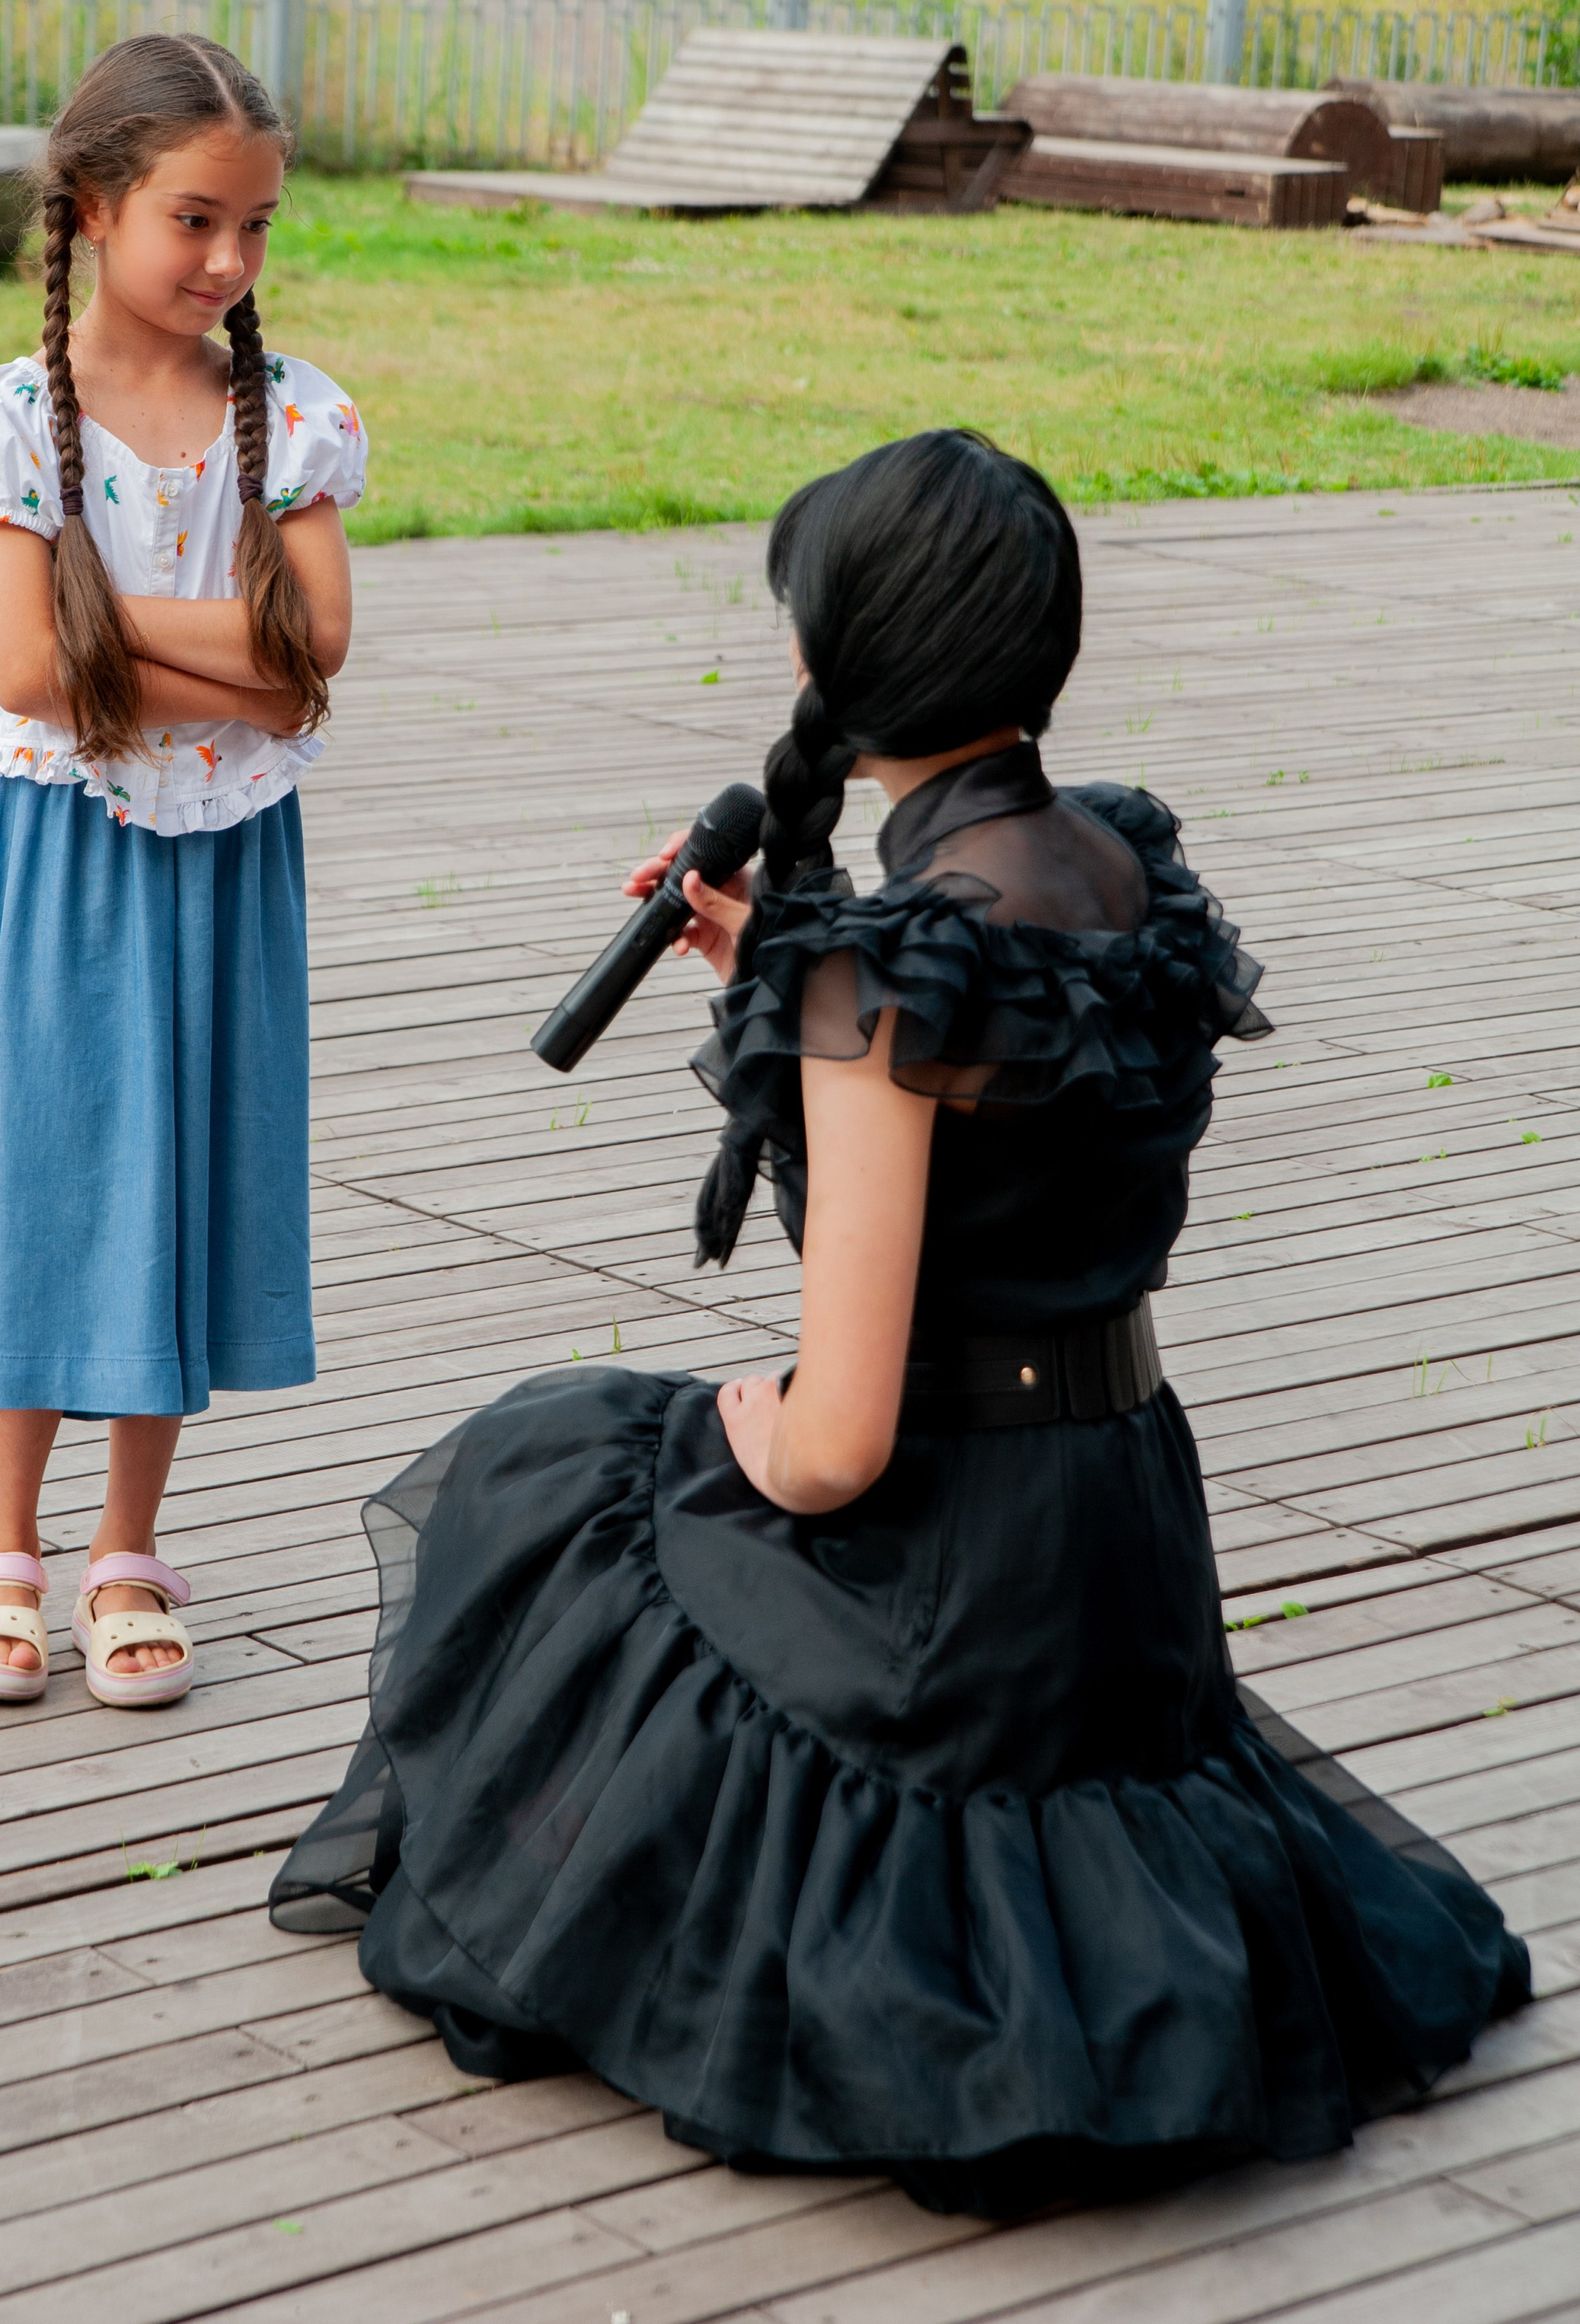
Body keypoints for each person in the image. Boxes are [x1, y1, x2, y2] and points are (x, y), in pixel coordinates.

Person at [270, 429, 1527, 2217]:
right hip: (1119, 1548)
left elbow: (839, 1435)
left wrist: (728, 1413)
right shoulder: (1124, 874)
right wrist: (781, 970)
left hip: (950, 1566)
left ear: (841, 656)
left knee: (556, 1475)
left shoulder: (878, 981)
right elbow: (1005, 1120)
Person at [0, 33, 365, 1710]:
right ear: (95, 206)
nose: (232, 263)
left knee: (186, 1167)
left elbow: (313, 650)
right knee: (50, 1165)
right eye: (195, 221)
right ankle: (1, 1545)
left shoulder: (290, 413)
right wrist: (227, 651)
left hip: (235, 853)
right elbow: (27, 677)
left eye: (255, 226)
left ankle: (126, 1550)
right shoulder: (14, 418)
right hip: (70, 853)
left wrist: (111, 627)